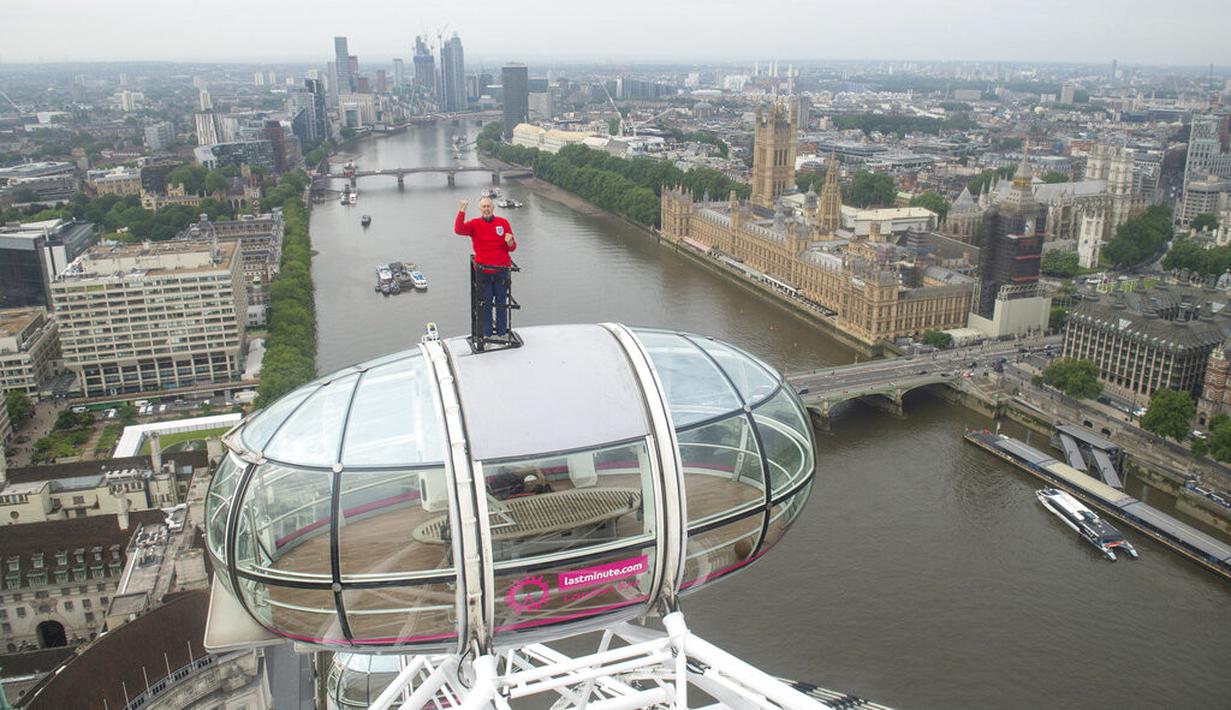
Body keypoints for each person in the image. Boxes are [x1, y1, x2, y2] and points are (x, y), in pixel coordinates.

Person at [455, 197, 517, 337]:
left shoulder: (503, 223)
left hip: (501, 270)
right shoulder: (474, 224)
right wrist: (462, 210)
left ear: (493, 207)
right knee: (486, 305)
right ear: (480, 208)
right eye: (484, 206)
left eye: (489, 206)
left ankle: (502, 333)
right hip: (484, 272)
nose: (487, 209)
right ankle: (488, 335)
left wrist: (510, 241)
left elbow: (512, 248)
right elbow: (458, 230)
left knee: (502, 304)